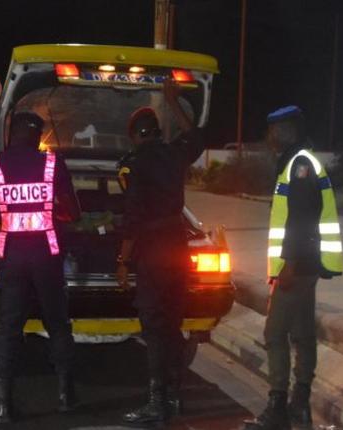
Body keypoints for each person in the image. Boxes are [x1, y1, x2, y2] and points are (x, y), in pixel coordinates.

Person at [244, 106, 343, 430]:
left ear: (285, 131)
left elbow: (301, 220)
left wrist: (287, 265)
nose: (268, 136)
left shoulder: (300, 165)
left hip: (297, 267)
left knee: (275, 334)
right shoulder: (298, 161)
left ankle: (278, 409)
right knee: (302, 334)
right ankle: (299, 406)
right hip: (304, 265)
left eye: (272, 130)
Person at [0, 111, 81, 423]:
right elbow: (73, 212)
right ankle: (65, 395)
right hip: (47, 256)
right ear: (37, 136)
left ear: (11, 134)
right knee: (58, 324)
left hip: (9, 256)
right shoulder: (52, 164)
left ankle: (3, 405)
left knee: (8, 329)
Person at [115, 78, 204, 426]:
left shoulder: (136, 164)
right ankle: (174, 396)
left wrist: (123, 262)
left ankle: (157, 402)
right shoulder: (174, 153)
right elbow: (195, 134)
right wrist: (173, 102)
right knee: (172, 325)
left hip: (152, 253)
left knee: (153, 329)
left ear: (136, 135)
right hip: (177, 250)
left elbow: (132, 219)